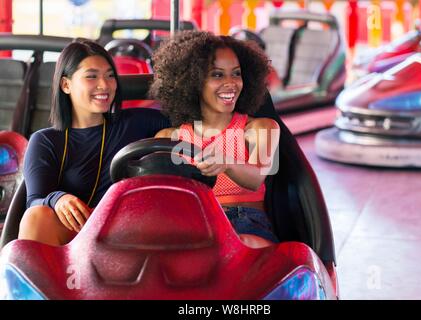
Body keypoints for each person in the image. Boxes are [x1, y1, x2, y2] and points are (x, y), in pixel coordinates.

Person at [19, 38, 170, 246]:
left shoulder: (136, 122)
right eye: (91, 77)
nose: (105, 85)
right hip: (73, 242)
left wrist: (173, 132)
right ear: (66, 85)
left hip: (129, 237)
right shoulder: (47, 141)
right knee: (36, 216)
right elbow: (34, 201)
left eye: (110, 76)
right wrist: (57, 199)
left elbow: (199, 122)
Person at [151, 31, 280, 248]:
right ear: (192, 81)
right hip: (191, 225)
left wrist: (227, 162)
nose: (230, 83)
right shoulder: (169, 138)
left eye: (236, 73)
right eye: (217, 75)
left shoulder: (261, 128)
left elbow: (257, 177)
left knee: (235, 246)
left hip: (245, 223)